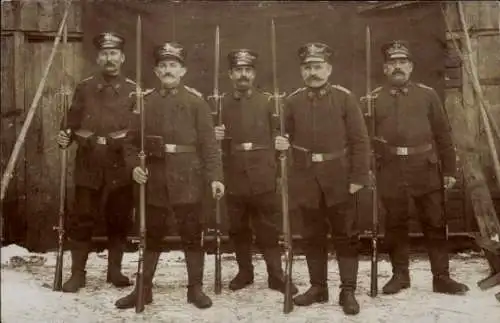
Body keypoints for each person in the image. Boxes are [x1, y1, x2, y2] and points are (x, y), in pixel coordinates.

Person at [114, 41, 224, 310]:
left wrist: (215, 177)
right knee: (150, 234)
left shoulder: (196, 102)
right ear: (156, 70)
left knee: (191, 234)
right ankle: (144, 289)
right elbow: (129, 143)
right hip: (155, 177)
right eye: (163, 65)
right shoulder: (144, 102)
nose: (168, 70)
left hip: (189, 177)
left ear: (183, 70)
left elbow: (210, 145)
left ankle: (195, 289)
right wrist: (134, 167)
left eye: (173, 65)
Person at [366, 40, 469, 296]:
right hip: (390, 168)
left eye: (402, 62)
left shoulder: (428, 95)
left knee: (435, 222)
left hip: (425, 167)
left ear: (411, 67)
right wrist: (369, 168)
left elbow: (443, 135)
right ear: (385, 68)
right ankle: (400, 275)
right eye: (392, 63)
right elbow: (365, 140)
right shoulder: (373, 99)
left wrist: (449, 170)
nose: (397, 67)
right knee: (395, 224)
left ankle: (441, 277)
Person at [274, 43, 370, 315]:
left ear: (328, 69)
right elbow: (284, 136)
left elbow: (359, 140)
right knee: (312, 235)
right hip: (305, 178)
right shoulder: (291, 101)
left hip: (340, 176)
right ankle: (318, 287)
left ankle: (348, 289)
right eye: (307, 67)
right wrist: (280, 142)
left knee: (346, 235)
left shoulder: (344, 98)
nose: (312, 72)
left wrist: (358, 176)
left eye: (317, 67)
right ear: (301, 71)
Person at [213, 49, 298, 295]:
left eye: (247, 70)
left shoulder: (270, 102)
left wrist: (281, 142)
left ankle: (276, 275)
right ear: (230, 74)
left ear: (254, 73)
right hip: (234, 172)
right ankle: (245, 272)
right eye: (238, 70)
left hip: (263, 172)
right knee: (238, 227)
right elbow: (210, 144)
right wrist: (214, 134)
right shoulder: (220, 103)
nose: (243, 75)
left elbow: (280, 132)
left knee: (267, 227)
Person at [56, 32, 136, 293]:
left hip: (119, 164)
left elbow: (138, 130)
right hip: (89, 163)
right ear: (98, 58)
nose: (109, 58)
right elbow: (71, 122)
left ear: (122, 58)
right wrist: (65, 135)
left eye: (114, 53)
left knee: (119, 219)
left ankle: (115, 271)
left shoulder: (133, 90)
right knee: (82, 220)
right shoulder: (85, 87)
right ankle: (77, 274)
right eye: (104, 53)